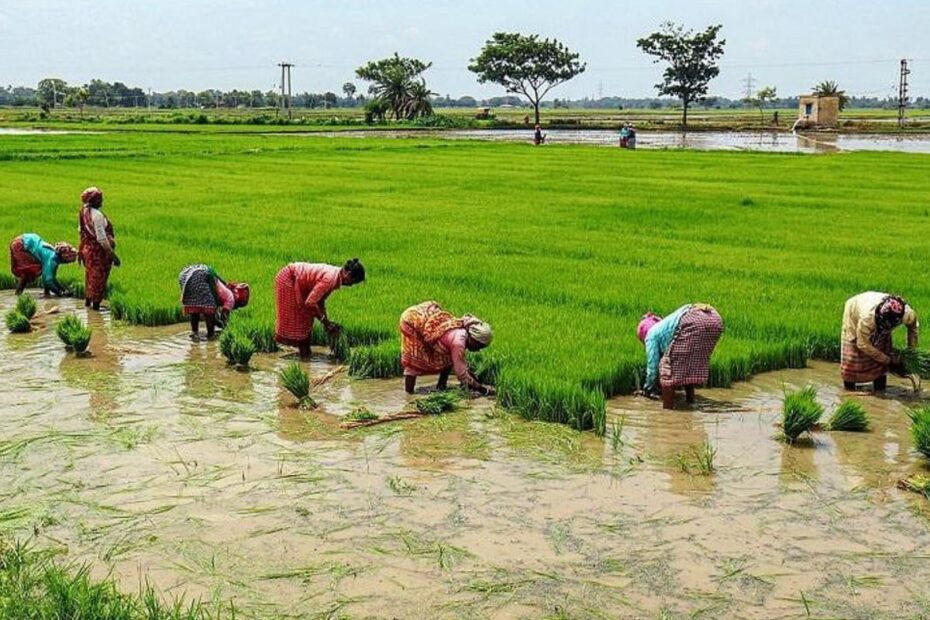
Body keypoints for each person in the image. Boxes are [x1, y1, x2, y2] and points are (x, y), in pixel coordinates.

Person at [637, 303, 724, 409]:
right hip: (714, 317)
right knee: (687, 364)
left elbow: (653, 367)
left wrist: (648, 388)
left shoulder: (651, 335)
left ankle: (667, 412)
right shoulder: (665, 328)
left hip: (694, 319)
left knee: (667, 368)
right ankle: (691, 402)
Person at [399, 300, 495, 395]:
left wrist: (469, 376)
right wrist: (482, 389)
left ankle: (441, 386)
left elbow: (457, 362)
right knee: (415, 359)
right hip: (411, 322)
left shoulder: (462, 332)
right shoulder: (459, 342)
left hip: (422, 318)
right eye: (479, 346)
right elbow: (461, 374)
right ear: (474, 339)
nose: (478, 350)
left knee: (448, 358)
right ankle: (409, 395)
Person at [274, 259, 365, 358]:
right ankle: (304, 356)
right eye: (353, 281)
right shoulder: (330, 279)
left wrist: (326, 322)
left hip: (299, 283)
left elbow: (320, 301)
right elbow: (310, 303)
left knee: (306, 320)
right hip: (289, 279)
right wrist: (325, 322)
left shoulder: (335, 277)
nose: (351, 285)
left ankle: (305, 355)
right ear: (348, 274)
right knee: (301, 319)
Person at [841, 292, 918, 391]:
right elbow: (862, 344)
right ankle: (849, 390)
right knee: (853, 355)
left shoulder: (907, 314)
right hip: (853, 314)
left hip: (874, 311)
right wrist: (888, 360)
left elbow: (913, 330)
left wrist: (910, 353)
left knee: (882, 351)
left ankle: (880, 391)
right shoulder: (867, 318)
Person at [178, 264, 250, 340]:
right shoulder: (231, 299)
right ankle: (210, 336)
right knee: (209, 310)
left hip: (185, 275)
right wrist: (227, 328)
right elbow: (224, 317)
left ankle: (194, 333)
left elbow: (216, 318)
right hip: (200, 275)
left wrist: (217, 322)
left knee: (194, 308)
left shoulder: (224, 289)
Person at [77, 186, 120, 310]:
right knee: (98, 279)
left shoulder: (83, 212)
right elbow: (101, 238)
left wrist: (81, 250)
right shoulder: (97, 215)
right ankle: (95, 309)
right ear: (94, 200)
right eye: (100, 199)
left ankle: (87, 304)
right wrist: (113, 255)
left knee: (90, 277)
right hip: (99, 253)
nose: (102, 201)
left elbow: (81, 232)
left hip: (88, 250)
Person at [9, 233, 78, 296]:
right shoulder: (52, 259)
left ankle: (46, 293)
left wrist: (63, 289)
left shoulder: (54, 257)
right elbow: (47, 281)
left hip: (27, 240)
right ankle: (18, 294)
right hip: (21, 245)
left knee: (45, 270)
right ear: (64, 256)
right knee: (28, 271)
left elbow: (52, 278)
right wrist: (59, 293)